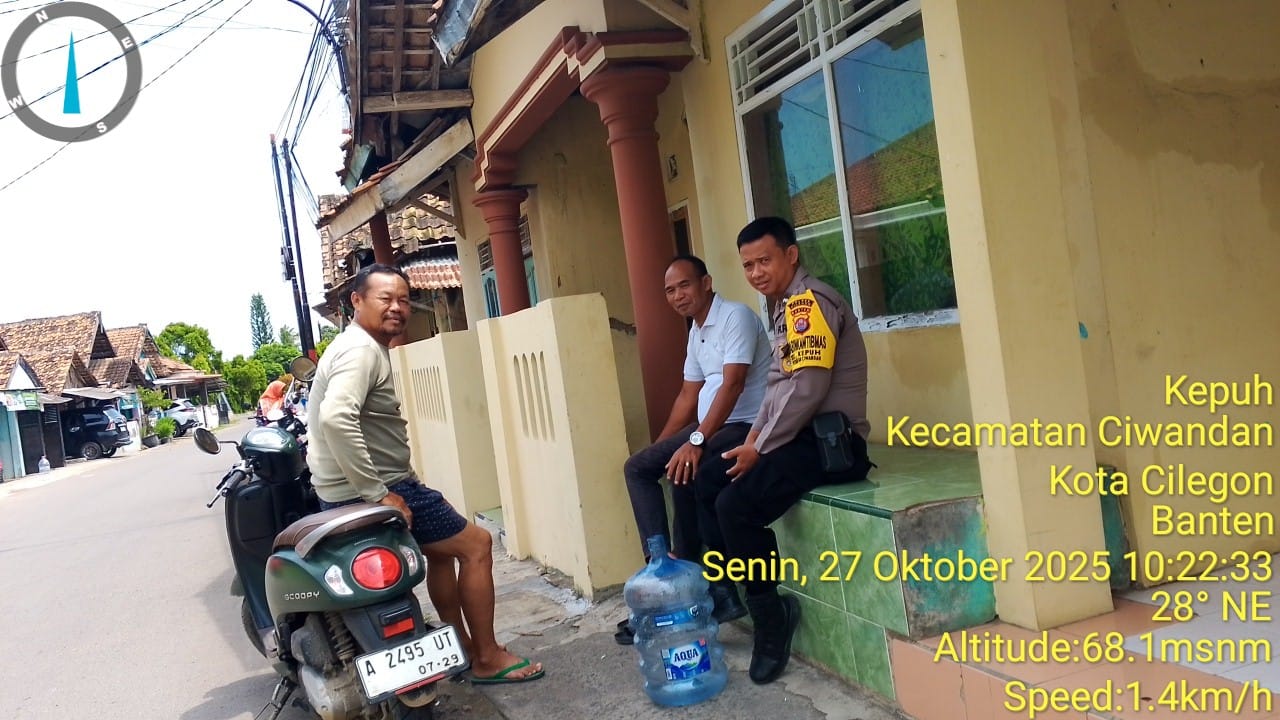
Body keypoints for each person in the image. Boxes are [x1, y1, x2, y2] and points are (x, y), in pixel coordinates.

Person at [306, 263, 544, 685]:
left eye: (403, 300)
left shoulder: (357, 346)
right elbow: (336, 418)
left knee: (441, 551)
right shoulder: (360, 351)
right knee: (477, 545)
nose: (397, 307)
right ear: (356, 300)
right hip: (369, 490)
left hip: (352, 490)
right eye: (385, 298)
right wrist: (378, 493)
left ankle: (462, 648)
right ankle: (487, 657)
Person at [696, 216, 873, 685]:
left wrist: (760, 449)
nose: (756, 272)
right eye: (748, 265)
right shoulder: (785, 307)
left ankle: (771, 618)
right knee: (709, 478)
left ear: (791, 256)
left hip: (833, 445)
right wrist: (752, 440)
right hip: (799, 438)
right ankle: (728, 588)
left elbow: (807, 390)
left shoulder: (808, 303)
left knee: (735, 505)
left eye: (765, 261)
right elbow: (778, 388)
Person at [616, 255, 772, 645]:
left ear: (706, 282)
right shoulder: (696, 331)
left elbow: (733, 384)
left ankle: (712, 589)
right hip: (709, 428)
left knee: (689, 472)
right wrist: (663, 449)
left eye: (684, 285)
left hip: (745, 425)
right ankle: (662, 571)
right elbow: (688, 395)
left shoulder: (735, 317)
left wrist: (696, 441)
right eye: (669, 290)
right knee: (638, 468)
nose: (677, 296)